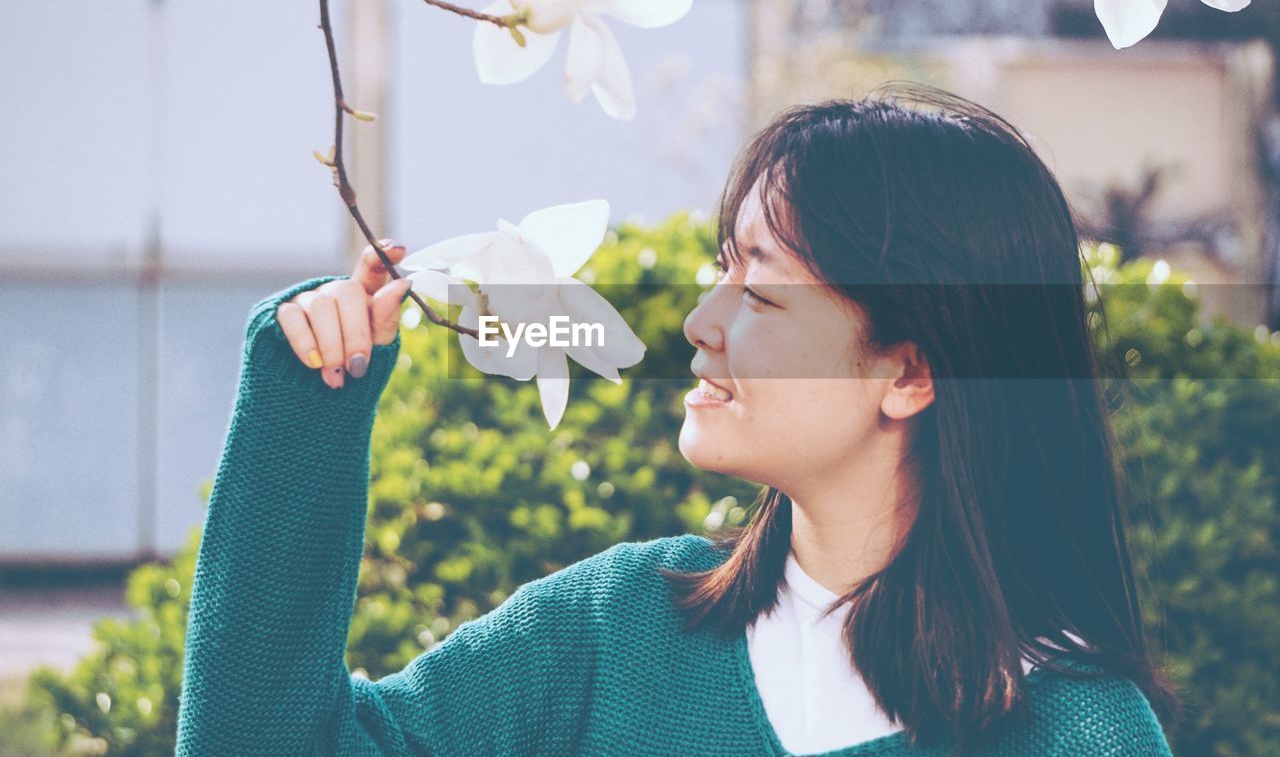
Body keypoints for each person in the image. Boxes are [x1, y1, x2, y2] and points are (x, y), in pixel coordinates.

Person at [176, 82, 1180, 755]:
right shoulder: (609, 630)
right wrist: (307, 405)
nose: (701, 324)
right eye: (720, 270)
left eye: (764, 293)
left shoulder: (1076, 730)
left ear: (909, 374)